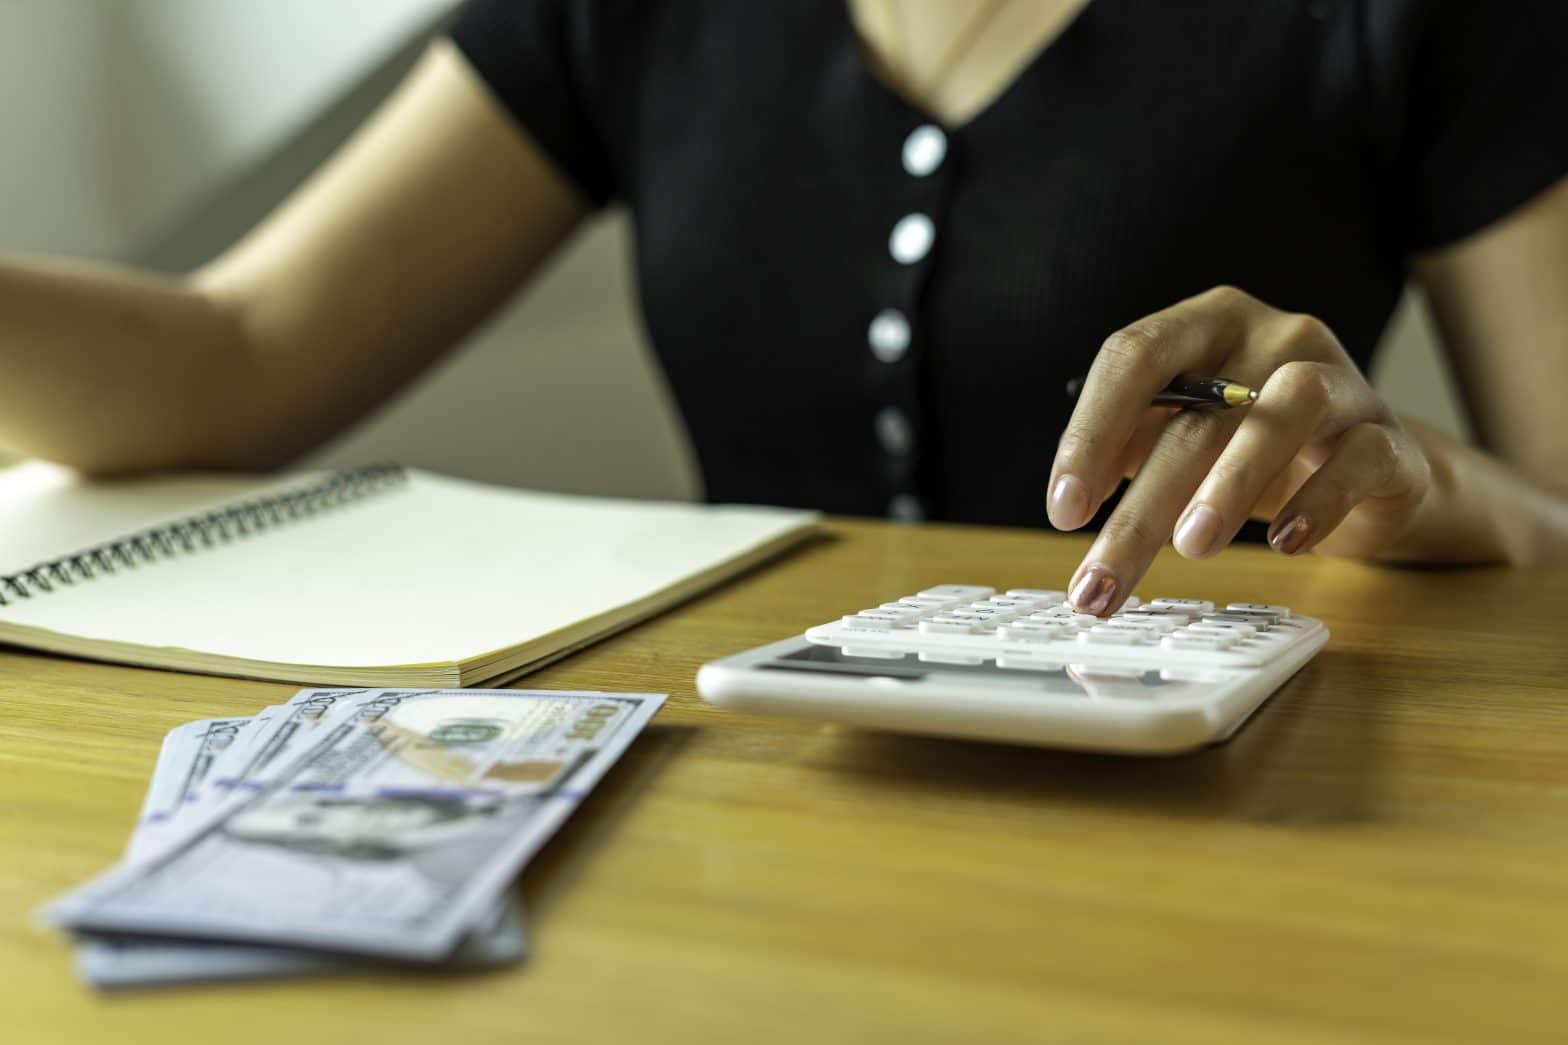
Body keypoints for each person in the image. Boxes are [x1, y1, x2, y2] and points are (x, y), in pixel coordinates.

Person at [2, 1, 1566, 616]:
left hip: (1232, 821)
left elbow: (1559, 521)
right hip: (744, 808)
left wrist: (1405, 479)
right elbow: (236, 352)